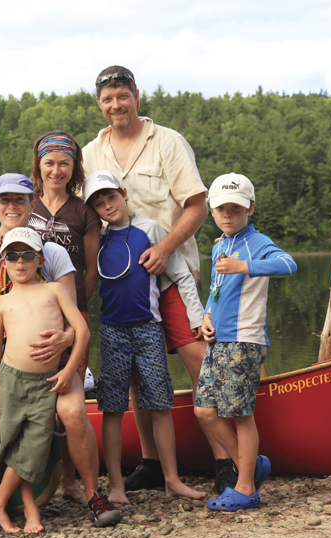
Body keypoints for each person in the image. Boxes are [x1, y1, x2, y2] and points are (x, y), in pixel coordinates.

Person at [83, 65, 233, 492]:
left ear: (136, 97)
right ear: (100, 104)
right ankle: (150, 462)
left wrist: (164, 249)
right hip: (122, 284)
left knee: (198, 360)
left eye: (122, 96)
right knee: (133, 375)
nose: (116, 105)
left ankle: (224, 460)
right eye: (108, 99)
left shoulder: (167, 141)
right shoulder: (92, 152)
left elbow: (197, 206)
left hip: (168, 273)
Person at [0, 173, 120, 529]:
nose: (12, 207)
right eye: (4, 200)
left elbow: (75, 320)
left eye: (20, 200)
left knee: (72, 412)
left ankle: (92, 494)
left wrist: (65, 342)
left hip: (52, 365)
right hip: (1, 368)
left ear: (32, 205)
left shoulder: (52, 252)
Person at [83, 170, 206, 504]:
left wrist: (197, 317)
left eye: (111, 197)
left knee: (160, 404)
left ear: (123, 193)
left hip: (149, 328)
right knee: (112, 407)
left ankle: (172, 480)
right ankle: (118, 486)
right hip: (111, 332)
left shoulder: (150, 229)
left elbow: (180, 276)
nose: (107, 206)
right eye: (98, 202)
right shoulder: (97, 240)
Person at [194, 173, 297, 510]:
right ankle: (252, 463)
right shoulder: (220, 244)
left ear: (249, 208)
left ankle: (246, 487)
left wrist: (245, 266)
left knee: (240, 415)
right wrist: (207, 316)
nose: (228, 214)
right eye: (221, 208)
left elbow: (289, 264)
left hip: (244, 341)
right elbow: (214, 290)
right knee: (205, 411)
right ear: (212, 211)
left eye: (235, 209)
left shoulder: (257, 242)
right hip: (218, 340)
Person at [0, 227, 90, 533]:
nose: (20, 262)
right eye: (12, 256)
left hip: (47, 381)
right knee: (15, 444)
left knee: (36, 445)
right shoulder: (0, 303)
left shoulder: (54, 290)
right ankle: (30, 511)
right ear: (4, 262)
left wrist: (69, 371)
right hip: (11, 380)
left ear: (40, 260)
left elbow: (81, 331)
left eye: (27, 255)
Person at [29, 130, 101, 503]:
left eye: (64, 164)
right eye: (49, 163)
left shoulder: (84, 211)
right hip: (30, 313)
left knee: (67, 393)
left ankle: (71, 482)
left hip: (73, 313)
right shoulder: (26, 206)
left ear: (74, 169)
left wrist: (76, 314)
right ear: (38, 167)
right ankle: (36, 477)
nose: (56, 170)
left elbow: (91, 269)